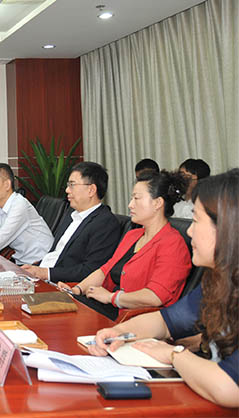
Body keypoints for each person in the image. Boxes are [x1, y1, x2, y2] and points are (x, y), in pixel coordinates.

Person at [89, 169, 239, 408]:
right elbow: (166, 320)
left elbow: (229, 387)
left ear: (229, 228)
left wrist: (173, 354)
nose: (189, 231)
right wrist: (120, 331)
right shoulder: (219, 281)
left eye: (196, 221)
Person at [58, 170, 192, 319]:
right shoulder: (132, 236)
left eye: (136, 198)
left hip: (136, 319)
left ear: (157, 203)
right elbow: (105, 270)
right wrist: (77, 289)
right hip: (108, 307)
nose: (130, 205)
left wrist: (112, 297)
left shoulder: (173, 244)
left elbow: (155, 296)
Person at [21, 161, 120, 282]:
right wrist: (36, 268)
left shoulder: (105, 223)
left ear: (91, 190)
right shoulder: (71, 214)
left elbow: (91, 270)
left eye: (72, 185)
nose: (67, 190)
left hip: (63, 285)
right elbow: (57, 254)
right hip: (42, 277)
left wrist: (46, 273)